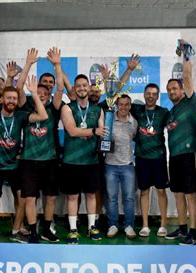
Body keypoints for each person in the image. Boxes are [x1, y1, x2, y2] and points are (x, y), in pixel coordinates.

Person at [0, 72, 48, 242]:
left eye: (14, 98)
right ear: (2, 100)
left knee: (22, 198)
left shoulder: (20, 116)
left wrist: (34, 93)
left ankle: (15, 230)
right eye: (8, 98)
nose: (11, 101)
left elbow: (43, 116)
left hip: (14, 166)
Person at [16, 47, 64, 243]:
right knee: (30, 199)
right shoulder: (26, 107)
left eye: (46, 92)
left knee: (51, 197)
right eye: (39, 92)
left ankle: (46, 229)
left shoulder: (54, 107)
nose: (42, 95)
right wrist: (28, 64)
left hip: (50, 160)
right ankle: (33, 232)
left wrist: (57, 65)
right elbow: (18, 88)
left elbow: (60, 88)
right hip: (28, 161)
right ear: (34, 92)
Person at [60, 74, 107, 244]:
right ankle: (73, 229)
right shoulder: (67, 108)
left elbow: (103, 133)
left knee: (91, 195)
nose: (81, 88)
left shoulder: (98, 110)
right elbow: (72, 131)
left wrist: (105, 140)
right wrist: (93, 131)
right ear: (74, 88)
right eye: (78, 86)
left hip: (91, 160)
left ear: (89, 87)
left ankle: (91, 226)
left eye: (84, 85)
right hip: (71, 160)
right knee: (72, 196)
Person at [165, 41, 196, 245]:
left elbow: (187, 77)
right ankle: (182, 228)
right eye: (169, 90)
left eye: (174, 88)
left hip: (189, 155)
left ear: (182, 90)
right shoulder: (170, 113)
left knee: (190, 195)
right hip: (175, 157)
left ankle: (193, 234)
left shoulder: (189, 103)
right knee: (177, 194)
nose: (171, 92)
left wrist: (186, 56)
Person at [130, 82, 169, 238]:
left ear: (158, 96)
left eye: (154, 94)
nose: (151, 96)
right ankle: (145, 225)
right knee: (144, 191)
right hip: (142, 157)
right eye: (148, 93)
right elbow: (119, 99)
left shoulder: (164, 112)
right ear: (144, 95)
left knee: (161, 191)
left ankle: (163, 225)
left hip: (158, 158)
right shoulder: (137, 109)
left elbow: (176, 121)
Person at [104, 94, 138, 239]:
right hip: (110, 165)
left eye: (127, 104)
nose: (123, 107)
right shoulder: (109, 120)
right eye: (121, 104)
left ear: (130, 106)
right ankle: (113, 225)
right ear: (117, 105)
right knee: (111, 198)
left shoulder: (133, 122)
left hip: (128, 165)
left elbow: (135, 136)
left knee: (129, 198)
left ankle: (129, 225)